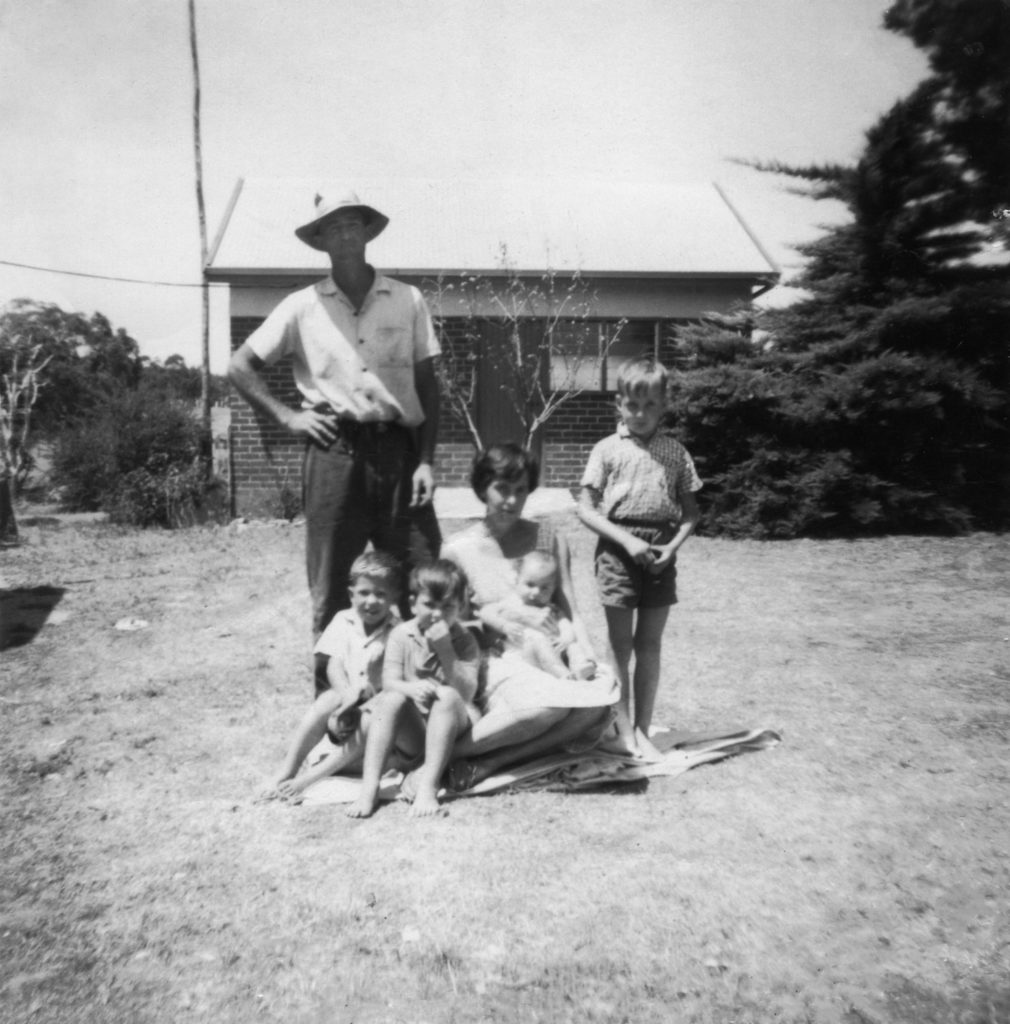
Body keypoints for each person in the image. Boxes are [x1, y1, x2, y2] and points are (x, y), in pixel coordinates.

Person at [227, 188, 442, 641]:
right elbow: (239, 366)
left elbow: (427, 384)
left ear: (367, 232)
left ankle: (424, 700)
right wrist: (287, 417)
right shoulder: (301, 305)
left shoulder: (408, 300)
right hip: (333, 455)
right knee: (331, 590)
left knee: (424, 581)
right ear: (321, 240)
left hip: (399, 453)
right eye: (333, 228)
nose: (344, 235)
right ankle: (338, 705)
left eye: (352, 224)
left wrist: (425, 460)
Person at [441, 443, 619, 791]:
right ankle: (442, 753)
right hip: (496, 662)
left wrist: (586, 657)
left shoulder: (549, 538)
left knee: (600, 700)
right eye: (502, 489)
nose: (511, 500)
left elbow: (571, 610)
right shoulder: (457, 549)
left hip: (553, 656)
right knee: (551, 707)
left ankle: (492, 761)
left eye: (520, 490)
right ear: (482, 488)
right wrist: (508, 617)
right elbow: (452, 627)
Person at [577, 356, 702, 761]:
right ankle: (623, 729)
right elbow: (586, 508)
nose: (641, 414)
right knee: (620, 646)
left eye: (651, 405)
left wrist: (672, 547)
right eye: (633, 405)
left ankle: (643, 729)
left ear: (663, 405)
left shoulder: (675, 452)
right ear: (619, 404)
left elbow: (691, 512)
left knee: (649, 644)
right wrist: (626, 542)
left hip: (660, 552)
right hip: (618, 549)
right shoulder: (606, 449)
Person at [262, 551, 402, 801]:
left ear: (394, 598)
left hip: (376, 711)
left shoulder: (398, 630)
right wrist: (347, 694)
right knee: (327, 699)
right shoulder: (343, 620)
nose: (372, 601)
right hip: (345, 706)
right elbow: (333, 665)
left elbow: (390, 680)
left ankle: (312, 777)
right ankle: (288, 769)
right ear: (351, 595)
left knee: (375, 720)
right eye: (364, 593)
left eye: (381, 594)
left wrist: (363, 696)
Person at [347, 560, 481, 819]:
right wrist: (411, 688)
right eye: (430, 605)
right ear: (413, 604)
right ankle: (369, 787)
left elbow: (466, 693)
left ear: (461, 607)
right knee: (392, 697)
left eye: (448, 607)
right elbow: (389, 681)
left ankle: (427, 787)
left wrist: (445, 649)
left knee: (447, 694)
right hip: (417, 731)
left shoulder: (464, 640)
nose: (438, 614)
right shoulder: (402, 634)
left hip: (454, 728)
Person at [478, 551, 597, 680]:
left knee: (573, 645)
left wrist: (566, 638)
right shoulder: (511, 602)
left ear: (553, 588)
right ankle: (564, 676)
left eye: (544, 588)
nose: (536, 592)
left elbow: (565, 624)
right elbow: (485, 612)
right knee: (537, 638)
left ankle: (581, 667)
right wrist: (503, 625)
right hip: (522, 652)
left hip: (554, 650)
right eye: (530, 584)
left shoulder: (551, 608)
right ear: (517, 580)